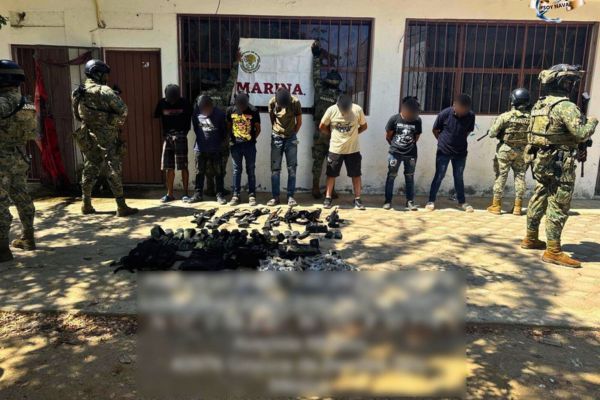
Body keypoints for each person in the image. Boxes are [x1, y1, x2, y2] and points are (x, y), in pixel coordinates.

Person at [521, 64, 597, 268]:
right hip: (559, 163)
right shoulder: (566, 106)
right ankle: (553, 251)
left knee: (540, 194)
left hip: (540, 160)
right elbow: (581, 133)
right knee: (559, 203)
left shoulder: (540, 105)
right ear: (565, 83)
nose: (573, 86)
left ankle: (530, 237)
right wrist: (592, 121)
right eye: (571, 82)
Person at [71, 59, 138, 217]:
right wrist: (111, 121)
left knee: (90, 168)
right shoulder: (105, 91)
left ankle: (86, 204)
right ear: (97, 74)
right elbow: (123, 111)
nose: (107, 78)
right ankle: (121, 206)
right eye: (105, 75)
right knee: (113, 169)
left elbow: (77, 116)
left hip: (88, 135)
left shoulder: (78, 92)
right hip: (107, 137)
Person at [0, 60, 37, 262]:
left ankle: (2, 249)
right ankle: (28, 238)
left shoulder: (2, 102)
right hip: (19, 156)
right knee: (23, 197)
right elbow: (32, 131)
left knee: (1, 203)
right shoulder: (27, 103)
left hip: (2, 159)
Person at [425, 93, 476, 212]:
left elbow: (468, 131)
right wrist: (442, 142)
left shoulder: (471, 116)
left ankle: (461, 202)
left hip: (461, 152)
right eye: (460, 108)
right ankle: (431, 201)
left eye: (465, 109)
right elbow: (435, 130)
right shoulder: (444, 114)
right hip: (444, 151)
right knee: (439, 175)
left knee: (459, 177)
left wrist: (459, 140)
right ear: (454, 105)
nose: (462, 111)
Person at [486, 88, 531, 216]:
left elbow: (492, 134)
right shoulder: (532, 118)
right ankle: (518, 207)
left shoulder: (505, 116)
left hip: (505, 150)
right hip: (522, 151)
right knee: (520, 176)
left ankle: (496, 206)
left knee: (501, 176)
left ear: (513, 101)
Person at [319, 93, 368, 210]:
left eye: (347, 109)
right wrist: (332, 134)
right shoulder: (331, 110)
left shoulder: (357, 110)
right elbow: (322, 126)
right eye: (343, 109)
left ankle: (357, 199)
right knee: (331, 174)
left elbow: (364, 126)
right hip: (336, 149)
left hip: (353, 149)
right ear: (338, 105)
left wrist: (354, 135)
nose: (345, 111)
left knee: (356, 175)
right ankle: (328, 198)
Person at [201, 51, 240, 197]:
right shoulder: (223, 95)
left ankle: (210, 188)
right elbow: (232, 80)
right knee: (221, 163)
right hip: (222, 136)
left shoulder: (201, 98)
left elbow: (197, 118)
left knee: (208, 164)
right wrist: (237, 62)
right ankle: (219, 189)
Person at [311, 40, 342, 199]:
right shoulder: (340, 97)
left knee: (317, 161)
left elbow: (315, 75)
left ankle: (315, 188)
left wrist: (316, 57)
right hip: (334, 134)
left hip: (319, 132)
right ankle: (331, 190)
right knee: (332, 162)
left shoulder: (319, 89)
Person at [154, 84, 192, 203]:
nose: (172, 102)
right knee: (168, 166)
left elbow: (189, 118)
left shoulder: (184, 103)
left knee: (183, 165)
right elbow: (156, 116)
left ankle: (185, 194)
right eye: (169, 99)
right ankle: (169, 194)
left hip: (181, 136)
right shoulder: (162, 103)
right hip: (168, 137)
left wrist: (183, 133)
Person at [383, 96, 422, 211]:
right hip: (395, 154)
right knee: (391, 176)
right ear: (404, 109)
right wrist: (396, 147)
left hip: (411, 155)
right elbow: (388, 136)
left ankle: (410, 202)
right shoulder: (394, 119)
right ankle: (388, 201)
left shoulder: (417, 120)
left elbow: (416, 137)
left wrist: (407, 147)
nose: (412, 115)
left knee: (410, 177)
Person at [189, 95, 227, 205]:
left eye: (206, 108)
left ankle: (220, 194)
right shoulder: (196, 113)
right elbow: (196, 128)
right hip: (200, 148)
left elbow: (223, 132)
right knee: (199, 172)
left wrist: (216, 142)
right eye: (202, 108)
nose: (204, 111)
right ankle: (198, 194)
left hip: (216, 149)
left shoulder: (219, 114)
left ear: (211, 106)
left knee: (218, 173)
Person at [267, 87, 302, 206]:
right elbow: (272, 120)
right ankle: (275, 197)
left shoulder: (295, 102)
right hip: (277, 137)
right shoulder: (272, 102)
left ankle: (290, 196)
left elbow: (299, 122)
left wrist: (292, 135)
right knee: (275, 170)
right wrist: (277, 132)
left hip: (291, 138)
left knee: (292, 169)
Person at [226, 92, 261, 206]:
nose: (242, 107)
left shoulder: (253, 110)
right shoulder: (230, 110)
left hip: (249, 146)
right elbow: (228, 127)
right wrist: (232, 140)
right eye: (240, 105)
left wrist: (251, 140)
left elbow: (258, 129)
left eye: (244, 105)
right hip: (235, 146)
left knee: (251, 170)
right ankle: (236, 195)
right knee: (237, 170)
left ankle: (252, 195)